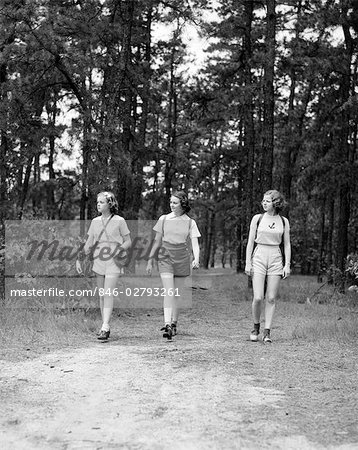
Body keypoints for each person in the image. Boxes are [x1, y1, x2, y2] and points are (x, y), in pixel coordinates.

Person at [76, 191, 131, 341]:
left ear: (110, 204)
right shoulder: (95, 221)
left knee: (108, 293)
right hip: (99, 259)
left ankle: (105, 326)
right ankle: (104, 324)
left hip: (114, 259)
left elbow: (128, 241)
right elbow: (89, 243)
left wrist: (120, 250)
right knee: (101, 294)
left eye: (101, 202)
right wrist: (79, 258)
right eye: (97, 202)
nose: (98, 204)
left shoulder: (120, 220)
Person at [146, 191, 201, 340]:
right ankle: (167, 324)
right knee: (168, 291)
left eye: (175, 203)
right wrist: (150, 259)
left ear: (183, 204)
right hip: (165, 256)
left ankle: (174, 323)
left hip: (182, 257)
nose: (171, 205)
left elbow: (195, 244)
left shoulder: (190, 222)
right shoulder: (163, 219)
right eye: (171, 202)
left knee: (177, 294)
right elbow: (157, 241)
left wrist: (196, 259)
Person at [245, 190, 291, 343]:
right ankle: (256, 326)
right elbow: (250, 242)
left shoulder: (283, 221)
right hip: (259, 255)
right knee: (258, 297)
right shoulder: (257, 219)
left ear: (275, 203)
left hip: (275, 257)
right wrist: (248, 262)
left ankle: (267, 332)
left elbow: (287, 244)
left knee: (271, 297)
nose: (264, 203)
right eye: (263, 201)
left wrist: (287, 265)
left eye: (267, 201)